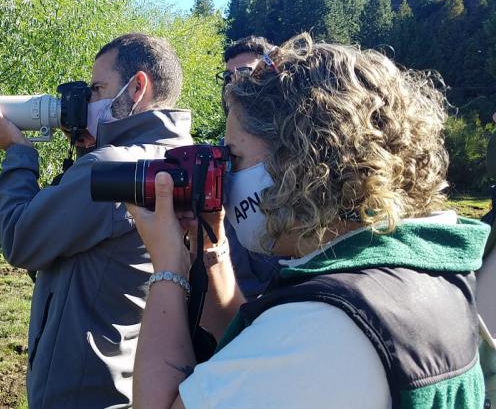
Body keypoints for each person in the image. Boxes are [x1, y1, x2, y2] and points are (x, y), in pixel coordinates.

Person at [128, 33, 487, 408]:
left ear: (299, 163)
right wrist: (210, 244)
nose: (226, 177)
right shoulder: (418, 274)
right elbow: (246, 353)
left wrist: (168, 266)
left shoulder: (323, 325)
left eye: (233, 158)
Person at [0, 33, 193, 408]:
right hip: (126, 381)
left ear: (138, 86)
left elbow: (21, 240)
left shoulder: (111, 169)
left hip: (80, 390)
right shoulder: (176, 158)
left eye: (97, 89)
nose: (89, 101)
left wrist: (19, 154)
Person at [218, 35, 286, 298]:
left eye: (246, 74)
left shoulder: (299, 152)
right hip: (230, 297)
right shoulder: (222, 150)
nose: (234, 85)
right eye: (228, 78)